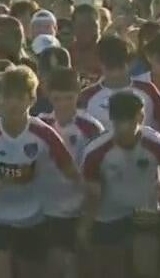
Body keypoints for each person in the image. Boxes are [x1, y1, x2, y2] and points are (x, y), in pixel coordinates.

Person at [0, 66, 78, 278]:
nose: (13, 103)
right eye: (8, 97)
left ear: (31, 100)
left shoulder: (45, 134)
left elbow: (72, 173)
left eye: (20, 97)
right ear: (0, 98)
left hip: (32, 219)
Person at [80, 91, 160, 278]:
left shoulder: (159, 146)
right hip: (108, 216)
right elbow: (92, 194)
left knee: (145, 270)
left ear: (140, 117)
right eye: (118, 121)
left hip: (144, 214)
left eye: (129, 121)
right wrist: (85, 226)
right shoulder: (95, 152)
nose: (123, 128)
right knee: (114, 271)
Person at [38, 68, 105, 278]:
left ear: (78, 94)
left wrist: (89, 214)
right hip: (47, 209)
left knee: (77, 267)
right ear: (49, 96)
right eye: (57, 99)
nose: (63, 104)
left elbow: (98, 173)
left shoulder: (91, 127)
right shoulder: (40, 125)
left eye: (69, 98)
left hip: (79, 210)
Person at [79, 35, 160, 134]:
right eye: (110, 67)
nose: (116, 73)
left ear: (130, 63)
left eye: (120, 66)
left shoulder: (148, 90)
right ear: (100, 63)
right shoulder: (86, 97)